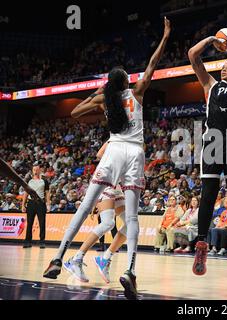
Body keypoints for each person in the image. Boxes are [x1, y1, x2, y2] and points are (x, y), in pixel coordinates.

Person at [43, 17, 171, 300]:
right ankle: (130, 270)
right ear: (127, 81)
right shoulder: (137, 93)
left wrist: (97, 96)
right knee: (133, 218)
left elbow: (75, 113)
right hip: (134, 153)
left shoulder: (105, 99)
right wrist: (164, 37)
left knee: (85, 205)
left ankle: (58, 257)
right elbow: (152, 63)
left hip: (113, 150)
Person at [188, 28, 227, 276]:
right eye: (222, 66)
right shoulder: (210, 85)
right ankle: (201, 246)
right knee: (207, 195)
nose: (222, 69)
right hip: (212, 142)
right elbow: (193, 55)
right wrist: (212, 40)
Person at [62, 142, 125, 282]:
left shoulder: (135, 144)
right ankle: (76, 259)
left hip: (119, 187)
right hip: (107, 184)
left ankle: (105, 258)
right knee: (108, 223)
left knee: (132, 226)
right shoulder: (115, 139)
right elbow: (99, 154)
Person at [22, 164, 50, 249]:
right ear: (32, 170)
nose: (35, 171)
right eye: (34, 170)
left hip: (41, 203)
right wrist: (23, 204)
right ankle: (27, 242)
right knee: (29, 223)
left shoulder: (44, 180)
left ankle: (42, 242)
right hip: (31, 203)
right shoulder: (29, 180)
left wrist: (48, 204)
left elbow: (47, 193)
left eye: (37, 170)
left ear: (40, 170)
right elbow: (26, 193)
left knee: (42, 223)